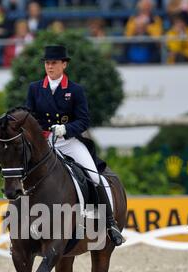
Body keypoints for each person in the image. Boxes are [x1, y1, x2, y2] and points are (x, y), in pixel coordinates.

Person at [26, 45, 124, 246]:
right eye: (47, 63)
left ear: (64, 64)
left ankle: (110, 223)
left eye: (53, 63)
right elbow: (30, 118)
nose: (50, 66)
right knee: (21, 175)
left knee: (95, 177)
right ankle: (19, 231)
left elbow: (84, 120)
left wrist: (66, 129)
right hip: (44, 145)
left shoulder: (75, 90)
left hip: (69, 142)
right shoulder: (35, 88)